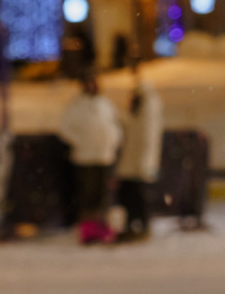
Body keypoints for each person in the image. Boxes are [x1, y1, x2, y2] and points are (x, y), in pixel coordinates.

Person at [58, 74, 122, 245]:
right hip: (85, 157)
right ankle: (89, 230)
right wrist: (81, 142)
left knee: (104, 195)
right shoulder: (76, 106)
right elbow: (65, 128)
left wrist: (113, 141)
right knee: (88, 194)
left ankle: (102, 229)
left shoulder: (105, 103)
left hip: (105, 155)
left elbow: (115, 124)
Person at [116, 74, 163, 243]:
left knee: (139, 198)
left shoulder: (148, 108)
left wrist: (145, 164)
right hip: (131, 163)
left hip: (139, 164)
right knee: (128, 196)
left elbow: (148, 138)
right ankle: (132, 226)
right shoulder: (140, 111)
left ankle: (141, 227)